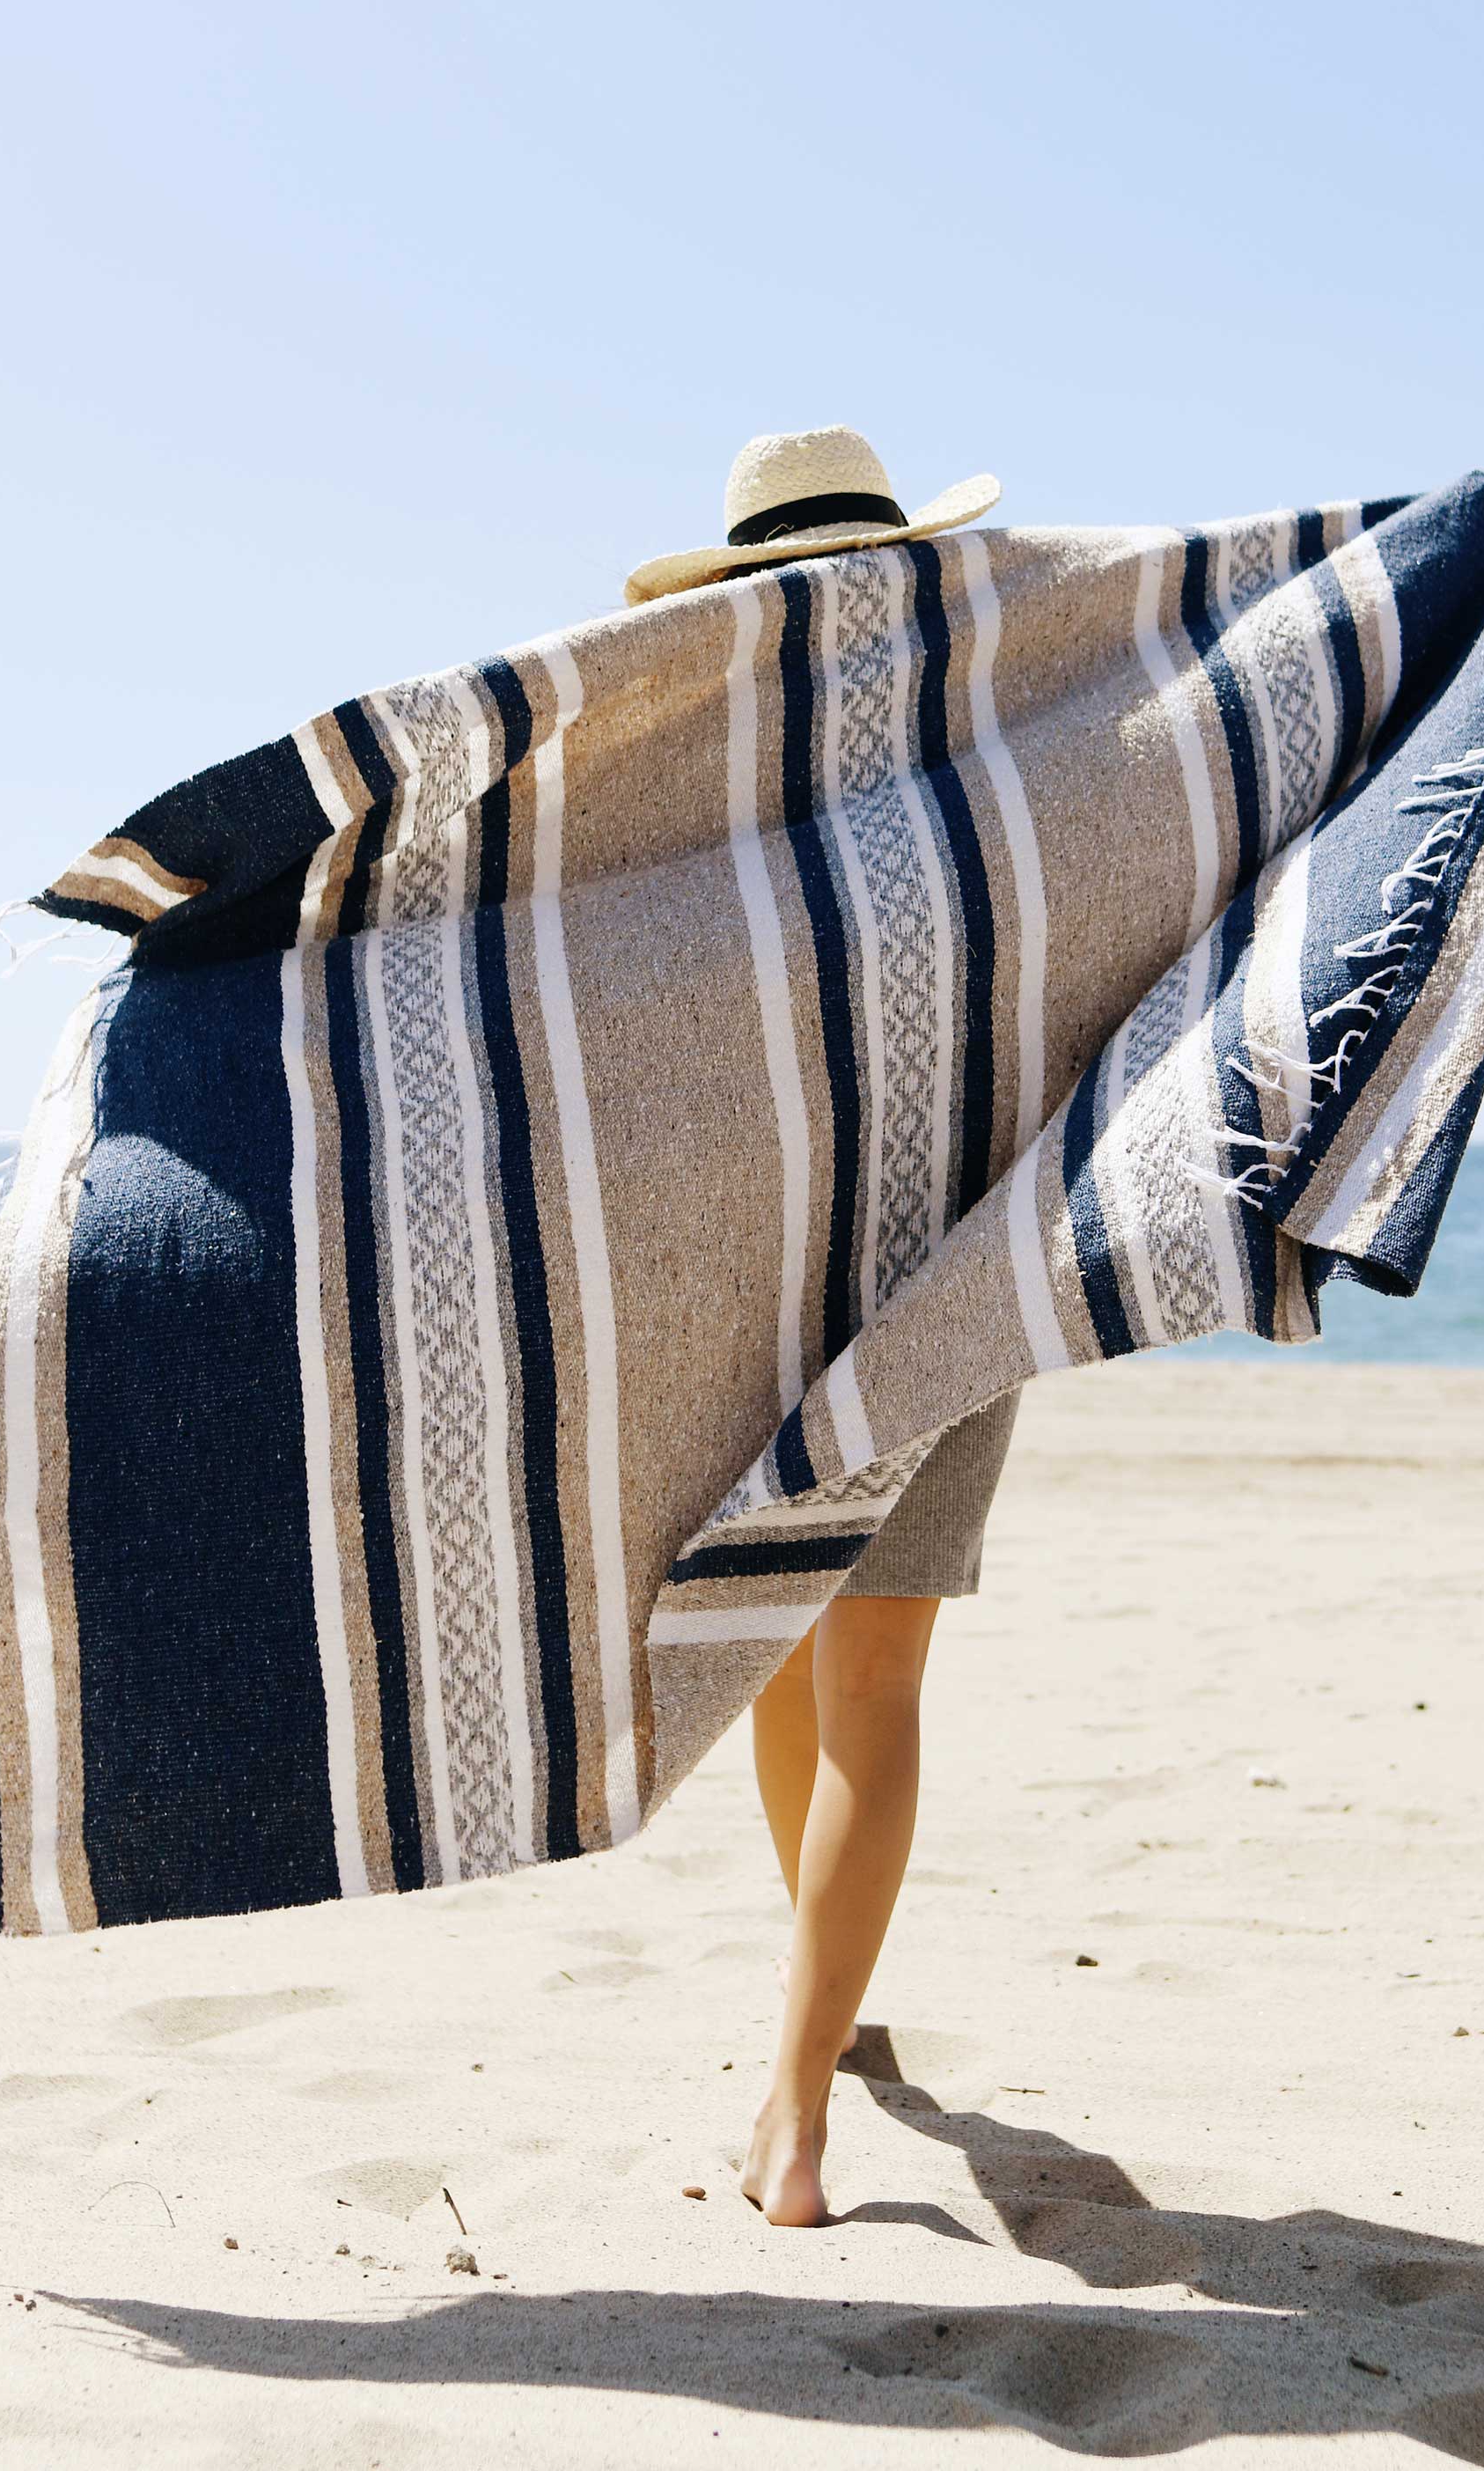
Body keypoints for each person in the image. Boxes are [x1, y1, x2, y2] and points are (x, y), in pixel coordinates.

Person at [627, 429, 1020, 2226]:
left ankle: (806, 2061)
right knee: (864, 1676)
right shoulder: (1004, 759)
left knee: (793, 1649)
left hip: (757, 1272)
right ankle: (805, 2079)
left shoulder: (700, 794)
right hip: (950, 1259)